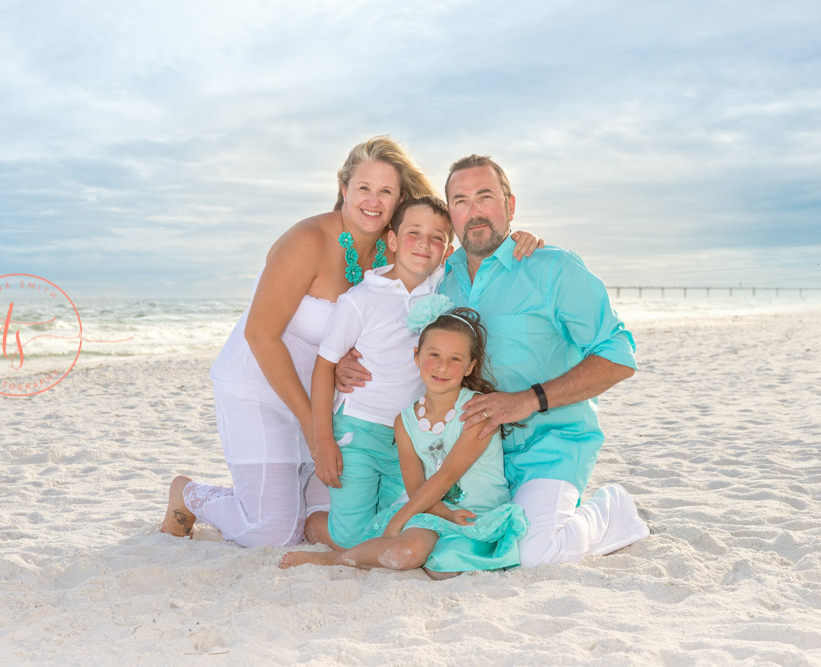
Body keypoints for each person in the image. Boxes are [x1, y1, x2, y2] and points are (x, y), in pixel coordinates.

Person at [160, 138, 542, 547]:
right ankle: (190, 493)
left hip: (334, 401)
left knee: (345, 520)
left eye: (386, 192)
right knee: (274, 532)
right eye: (363, 188)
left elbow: (455, 248)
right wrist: (315, 428)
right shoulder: (308, 240)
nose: (373, 201)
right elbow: (260, 335)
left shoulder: (395, 249)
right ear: (344, 188)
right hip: (263, 390)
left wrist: (513, 239)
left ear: (398, 200)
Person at [337, 154, 650, 566]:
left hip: (549, 446)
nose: (474, 211)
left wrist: (526, 400)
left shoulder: (553, 269)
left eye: (485, 197)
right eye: (461, 201)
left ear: (510, 205)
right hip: (465, 454)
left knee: (537, 553)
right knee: (427, 547)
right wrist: (344, 359)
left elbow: (618, 355)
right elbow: (390, 324)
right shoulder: (438, 275)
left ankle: (614, 509)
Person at [281, 304, 527, 577]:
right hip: (434, 511)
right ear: (417, 357)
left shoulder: (478, 412)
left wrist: (398, 522)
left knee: (442, 570)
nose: (443, 366)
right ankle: (336, 558)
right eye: (434, 355)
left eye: (455, 359)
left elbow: (447, 475)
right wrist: (442, 514)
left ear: (470, 366)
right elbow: (415, 487)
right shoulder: (406, 421)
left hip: (477, 515)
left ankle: (376, 546)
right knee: (404, 553)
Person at [307, 196, 456, 550]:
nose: (424, 243)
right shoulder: (360, 299)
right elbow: (324, 366)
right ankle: (312, 522)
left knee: (386, 526)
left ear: (448, 251)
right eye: (413, 233)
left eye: (437, 237)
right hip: (358, 430)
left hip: (408, 437)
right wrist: (323, 441)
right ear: (392, 240)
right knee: (348, 540)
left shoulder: (441, 291)